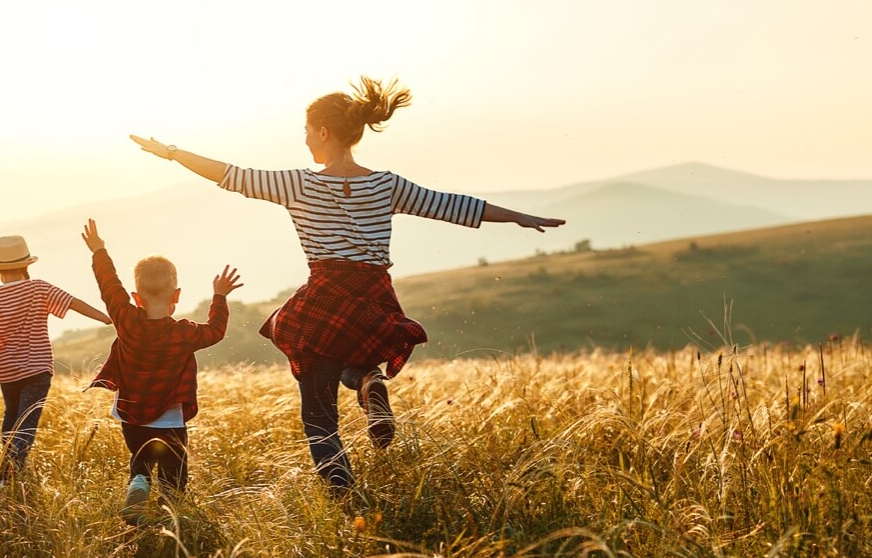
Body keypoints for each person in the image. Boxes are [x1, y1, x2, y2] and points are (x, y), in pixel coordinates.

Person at [129, 76, 564, 493]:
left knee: (316, 410)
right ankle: (369, 383)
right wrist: (519, 216)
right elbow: (451, 205)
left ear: (322, 131)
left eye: (306, 131)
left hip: (325, 295)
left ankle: (343, 493)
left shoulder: (299, 183)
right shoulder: (386, 184)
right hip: (374, 296)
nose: (304, 139)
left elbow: (229, 174)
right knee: (352, 355)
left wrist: (171, 153)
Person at [78, 219, 238, 524]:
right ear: (176, 296)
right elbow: (215, 331)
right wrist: (219, 296)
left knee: (141, 459)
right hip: (169, 418)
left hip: (130, 414)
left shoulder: (126, 319)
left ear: (136, 298)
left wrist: (99, 251)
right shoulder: (183, 333)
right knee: (173, 474)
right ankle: (168, 517)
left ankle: (139, 481)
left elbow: (109, 285)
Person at [0, 235, 111, 483]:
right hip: (37, 367)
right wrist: (107, 318)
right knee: (27, 422)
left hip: (6, 369)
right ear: (26, 265)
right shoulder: (40, 288)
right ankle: (11, 475)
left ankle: (6, 473)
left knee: (12, 417)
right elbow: (73, 303)